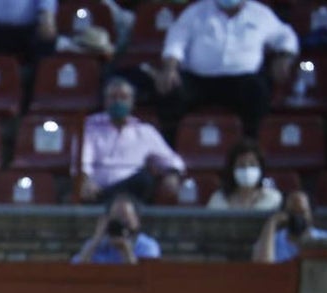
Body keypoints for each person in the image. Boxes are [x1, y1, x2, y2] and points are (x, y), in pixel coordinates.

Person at [150, 0, 299, 143]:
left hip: (242, 81)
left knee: (258, 90)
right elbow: (176, 40)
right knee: (170, 90)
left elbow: (285, 35)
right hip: (199, 80)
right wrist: (170, 68)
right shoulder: (195, 12)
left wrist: (284, 57)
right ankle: (169, 148)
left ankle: (250, 148)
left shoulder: (261, 14)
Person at [76, 76, 185, 205]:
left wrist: (173, 174)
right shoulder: (90, 127)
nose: (118, 102)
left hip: (133, 192)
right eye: (113, 97)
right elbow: (82, 158)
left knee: (144, 180)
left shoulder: (144, 131)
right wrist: (85, 180)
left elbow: (171, 159)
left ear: (132, 102)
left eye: (123, 97)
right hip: (99, 192)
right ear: (105, 101)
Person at [251, 190, 327, 263]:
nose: (297, 217)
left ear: (310, 214)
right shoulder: (272, 241)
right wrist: (272, 222)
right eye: (292, 212)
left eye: (302, 212)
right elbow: (262, 267)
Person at [70, 193, 161, 264]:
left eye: (125, 217)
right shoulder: (97, 245)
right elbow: (76, 269)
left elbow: (146, 278)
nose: (120, 222)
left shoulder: (147, 246)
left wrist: (126, 250)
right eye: (116, 217)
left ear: (137, 220)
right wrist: (97, 239)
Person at [206, 138, 281, 211]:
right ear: (232, 169)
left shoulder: (273, 199)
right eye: (241, 165)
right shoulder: (219, 200)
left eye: (252, 164)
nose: (247, 169)